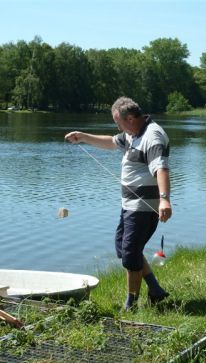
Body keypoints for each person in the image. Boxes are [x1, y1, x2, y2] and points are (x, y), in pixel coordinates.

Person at [65, 96, 171, 311]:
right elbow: (112, 142)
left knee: (131, 254)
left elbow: (161, 168)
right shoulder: (133, 134)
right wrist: (83, 137)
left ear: (130, 118)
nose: (117, 127)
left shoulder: (152, 136)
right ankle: (156, 291)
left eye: (118, 122)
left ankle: (130, 305)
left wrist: (164, 199)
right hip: (130, 206)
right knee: (125, 250)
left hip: (143, 208)